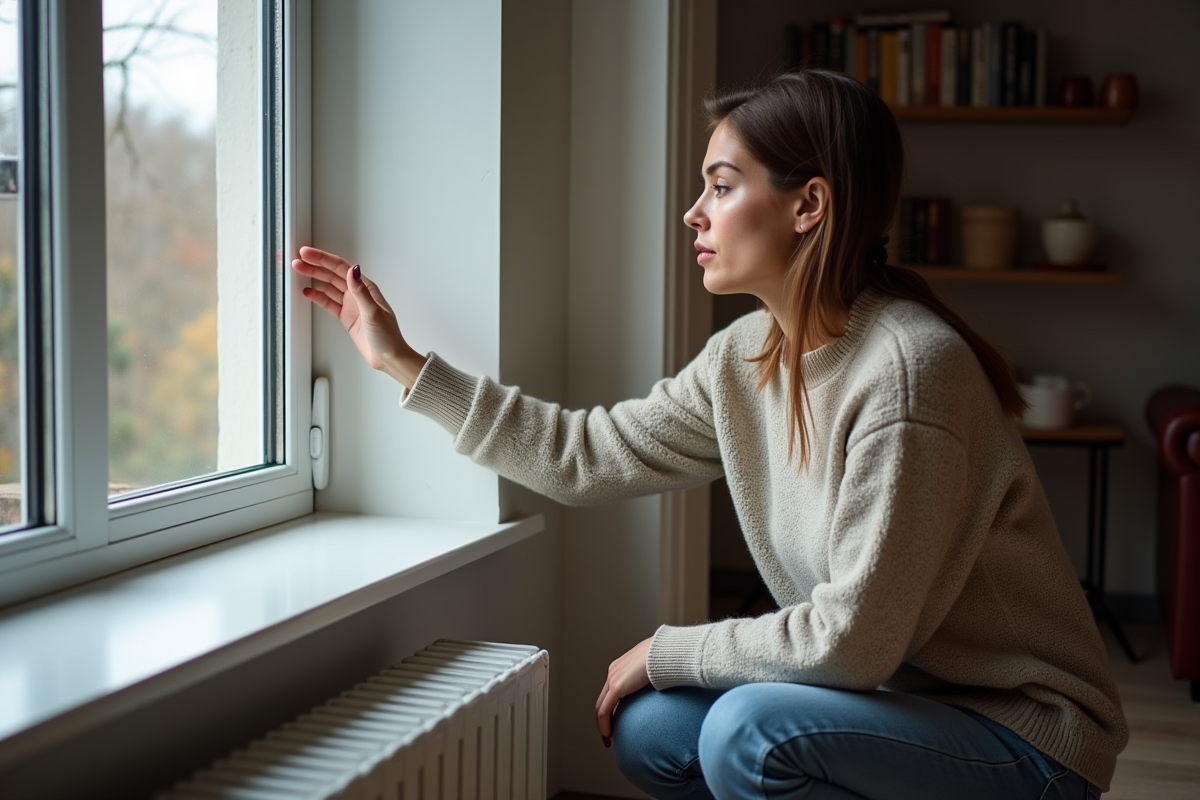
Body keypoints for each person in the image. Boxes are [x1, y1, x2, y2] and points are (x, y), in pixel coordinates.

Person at [292, 70, 1126, 799]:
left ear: (809, 205)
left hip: (1024, 745)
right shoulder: (746, 360)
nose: (694, 214)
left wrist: (664, 648)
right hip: (893, 703)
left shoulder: (910, 371)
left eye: (721, 187)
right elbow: (584, 457)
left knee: (747, 733)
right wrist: (400, 362)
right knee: (655, 730)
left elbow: (854, 640)